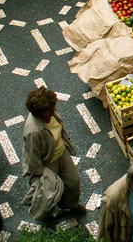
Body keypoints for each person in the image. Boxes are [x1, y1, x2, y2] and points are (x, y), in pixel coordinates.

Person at [21, 87, 85, 219]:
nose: (53, 112)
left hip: (61, 152)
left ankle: (70, 205)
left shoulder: (50, 112)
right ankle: (48, 213)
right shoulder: (33, 131)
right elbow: (33, 158)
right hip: (48, 162)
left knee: (74, 182)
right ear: (39, 113)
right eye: (49, 111)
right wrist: (42, 177)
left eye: (53, 108)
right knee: (50, 193)